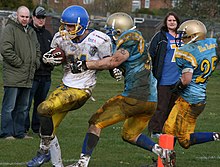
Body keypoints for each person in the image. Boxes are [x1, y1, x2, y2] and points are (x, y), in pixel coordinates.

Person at [67, 12, 176, 167]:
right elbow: (124, 63)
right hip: (151, 101)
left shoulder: (130, 39)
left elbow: (113, 60)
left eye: (112, 32)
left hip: (135, 97)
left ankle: (81, 164)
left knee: (95, 122)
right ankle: (163, 152)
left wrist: (85, 64)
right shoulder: (137, 38)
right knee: (129, 134)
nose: (110, 35)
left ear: (119, 30)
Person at [26, 5, 117, 167]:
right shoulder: (60, 38)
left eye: (71, 26)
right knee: (47, 130)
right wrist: (48, 61)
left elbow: (109, 62)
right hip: (65, 86)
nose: (67, 29)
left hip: (82, 90)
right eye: (65, 25)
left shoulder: (99, 39)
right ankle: (56, 164)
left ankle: (43, 152)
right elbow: (53, 59)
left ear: (82, 24)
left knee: (43, 108)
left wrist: (114, 70)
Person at [163, 20, 220, 152]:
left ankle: (216, 135)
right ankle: (165, 162)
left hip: (190, 100)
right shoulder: (211, 44)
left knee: (184, 140)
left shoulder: (187, 52)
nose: (181, 39)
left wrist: (176, 87)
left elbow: (186, 80)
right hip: (197, 98)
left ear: (193, 35)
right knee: (168, 129)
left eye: (185, 35)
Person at [0, 6, 41, 139]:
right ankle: (6, 132)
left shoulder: (31, 31)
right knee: (9, 107)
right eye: (22, 16)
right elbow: (5, 49)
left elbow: (37, 49)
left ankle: (19, 132)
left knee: (23, 107)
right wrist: (19, 63)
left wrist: (36, 62)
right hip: (13, 75)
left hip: (28, 76)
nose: (25, 19)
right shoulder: (9, 29)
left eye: (27, 17)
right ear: (17, 16)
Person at [147, 12, 181, 138]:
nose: (172, 22)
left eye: (174, 20)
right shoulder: (161, 36)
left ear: (178, 22)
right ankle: (155, 130)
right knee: (161, 105)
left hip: (178, 78)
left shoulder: (183, 37)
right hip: (164, 77)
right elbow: (151, 52)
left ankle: (167, 128)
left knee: (173, 106)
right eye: (169, 20)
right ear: (166, 23)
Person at [24, 6, 53, 134]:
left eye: (43, 17)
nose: (41, 20)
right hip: (32, 75)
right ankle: (23, 128)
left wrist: (52, 62)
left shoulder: (48, 34)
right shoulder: (28, 32)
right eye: (38, 17)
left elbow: (53, 52)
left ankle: (36, 128)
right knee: (26, 104)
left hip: (46, 75)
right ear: (33, 17)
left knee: (40, 105)